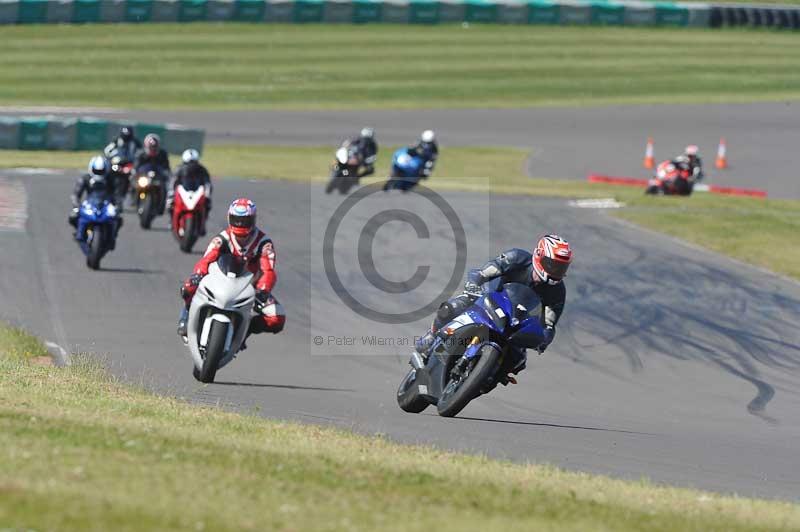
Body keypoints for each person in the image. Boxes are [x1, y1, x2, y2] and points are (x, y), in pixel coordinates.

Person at [413, 235, 573, 380]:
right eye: (552, 264)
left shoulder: (558, 291)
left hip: (517, 325)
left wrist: (543, 340)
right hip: (488, 301)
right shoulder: (517, 258)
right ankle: (432, 336)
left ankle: (489, 377)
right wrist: (474, 284)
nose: (556, 271)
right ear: (539, 256)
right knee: (453, 307)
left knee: (518, 361)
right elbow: (484, 272)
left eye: (561, 267)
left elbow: (550, 324)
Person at [177, 198, 286, 343]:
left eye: (245, 220)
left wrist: (263, 290)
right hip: (219, 281)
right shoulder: (222, 238)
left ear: (253, 220)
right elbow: (207, 259)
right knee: (188, 288)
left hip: (250, 288)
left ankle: (245, 330)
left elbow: (268, 270)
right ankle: (186, 316)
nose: (240, 224)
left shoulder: (264, 243)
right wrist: (197, 275)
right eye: (237, 220)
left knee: (277, 318)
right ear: (229, 218)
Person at [68, 156, 122, 245]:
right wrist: (76, 205)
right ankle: (78, 232)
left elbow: (117, 194)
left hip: (106, 204)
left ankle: (112, 236)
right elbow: (76, 194)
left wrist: (118, 205)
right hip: (90, 203)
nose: (99, 173)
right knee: (73, 216)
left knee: (118, 219)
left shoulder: (110, 180)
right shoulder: (85, 178)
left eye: (101, 171)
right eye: (97, 171)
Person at [167, 148, 213, 235]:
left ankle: (203, 224)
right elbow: (173, 182)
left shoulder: (202, 170)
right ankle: (171, 220)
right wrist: (171, 193)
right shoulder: (179, 169)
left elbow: (208, 183)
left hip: (197, 192)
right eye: (189, 162)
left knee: (207, 204)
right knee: (170, 204)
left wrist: (207, 195)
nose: (191, 165)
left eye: (193, 162)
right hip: (183, 192)